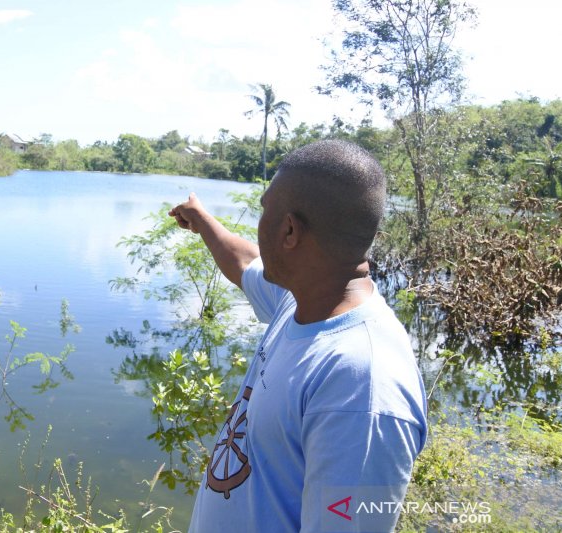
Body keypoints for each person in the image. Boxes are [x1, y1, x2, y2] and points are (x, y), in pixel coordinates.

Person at [168, 140, 427, 533]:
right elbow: (245, 262)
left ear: (289, 230)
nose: (260, 223)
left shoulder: (362, 388)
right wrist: (202, 220)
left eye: (264, 210)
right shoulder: (301, 299)